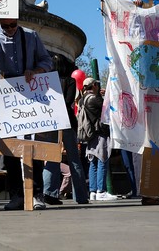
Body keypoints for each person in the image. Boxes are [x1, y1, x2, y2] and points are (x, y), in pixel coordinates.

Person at [0, 8, 53, 210]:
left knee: (35, 145)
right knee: (10, 149)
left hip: (30, 94)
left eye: (13, 25)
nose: (10, 29)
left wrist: (36, 70)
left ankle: (37, 194)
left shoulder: (31, 36)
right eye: (5, 26)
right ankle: (16, 196)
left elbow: (46, 60)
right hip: (5, 96)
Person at [42, 55, 89, 205]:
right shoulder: (70, 81)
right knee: (74, 158)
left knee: (52, 157)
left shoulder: (47, 82)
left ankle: (49, 192)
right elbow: (69, 101)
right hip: (67, 122)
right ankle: (80, 196)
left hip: (51, 122)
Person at [78, 77, 118, 202]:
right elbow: (107, 109)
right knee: (102, 160)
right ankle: (101, 191)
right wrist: (104, 96)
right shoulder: (95, 99)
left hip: (89, 135)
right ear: (94, 85)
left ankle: (93, 191)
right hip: (99, 133)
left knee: (93, 163)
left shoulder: (82, 100)